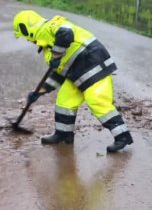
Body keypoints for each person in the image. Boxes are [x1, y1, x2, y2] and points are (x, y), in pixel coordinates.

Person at [13, 10, 133, 153]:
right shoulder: (46, 48)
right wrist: (39, 91)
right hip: (76, 75)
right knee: (64, 102)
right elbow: (59, 74)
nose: (27, 40)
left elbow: (66, 33)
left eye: (24, 36)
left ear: (27, 28)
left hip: (94, 65)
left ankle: (122, 136)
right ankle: (64, 135)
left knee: (98, 101)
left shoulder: (51, 25)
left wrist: (57, 54)